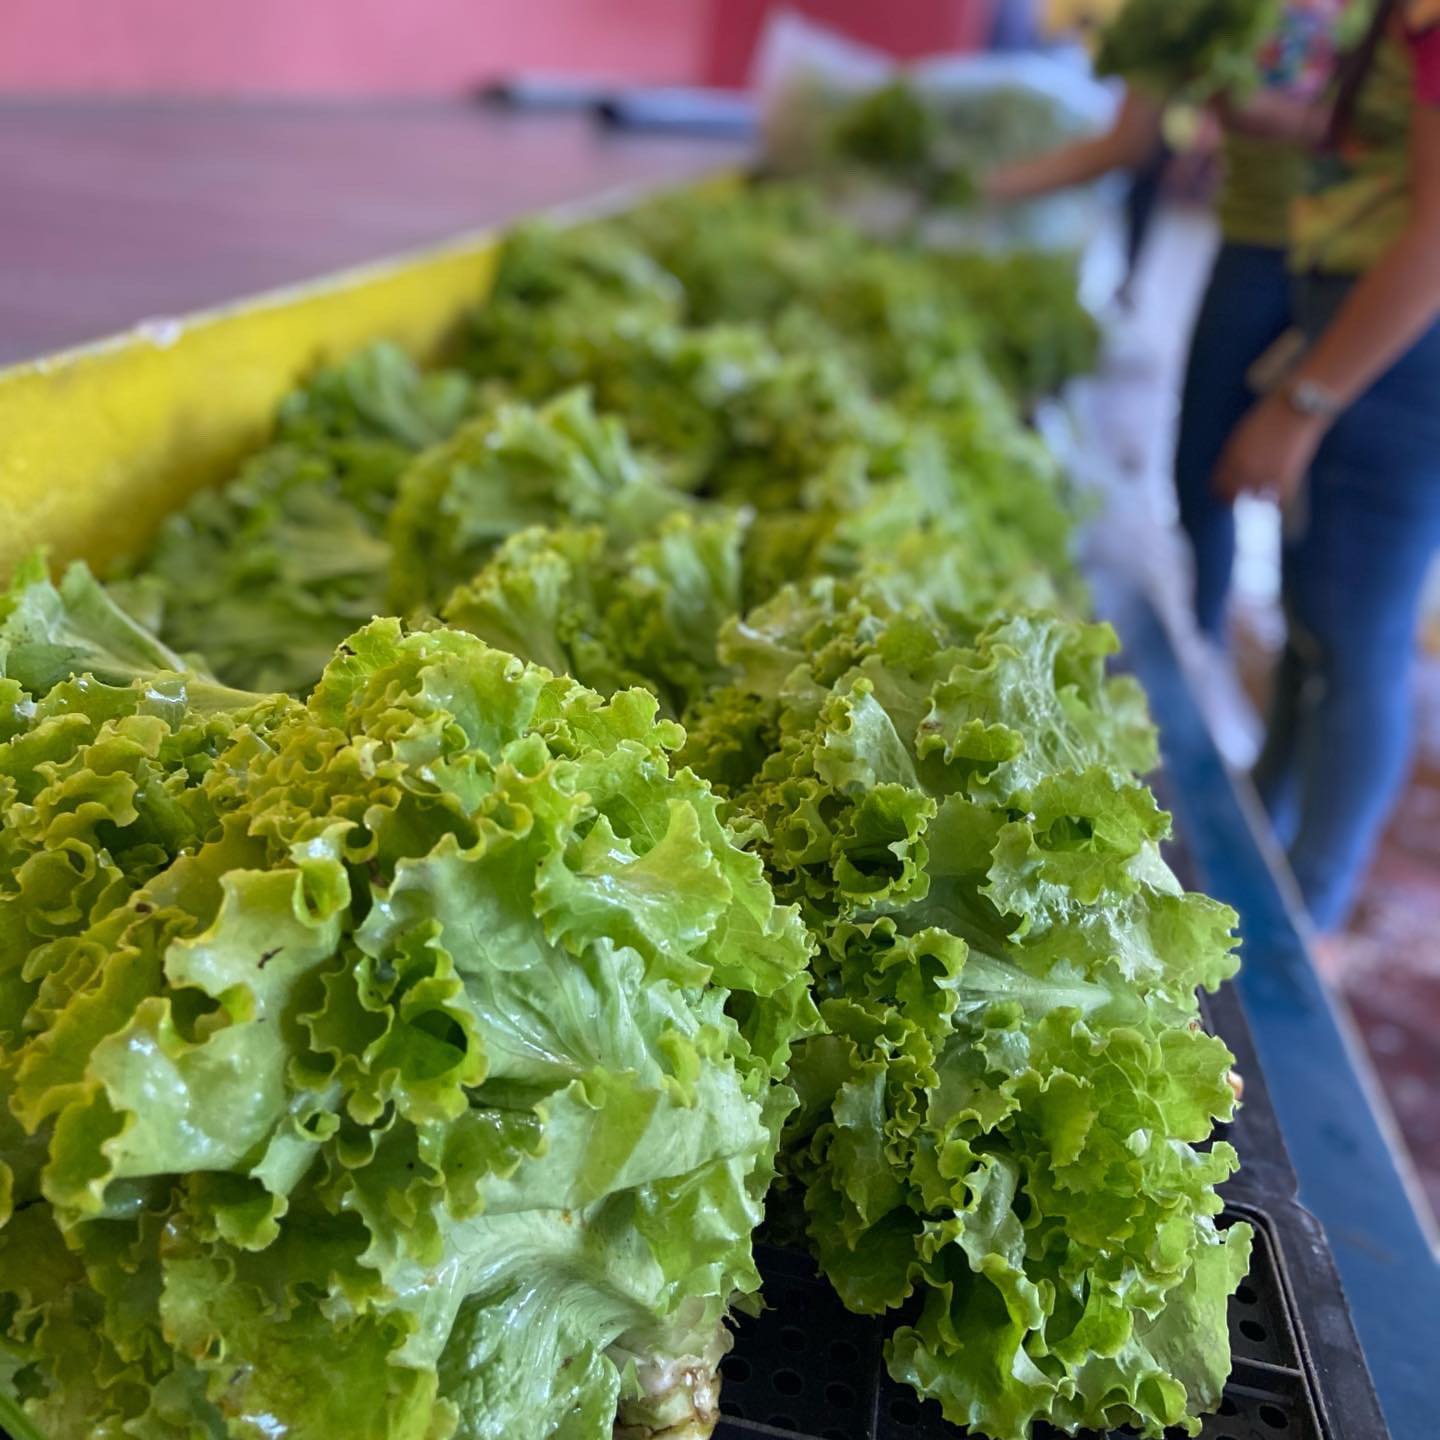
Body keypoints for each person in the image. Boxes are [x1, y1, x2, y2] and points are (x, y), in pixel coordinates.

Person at [986, 2, 1348, 641]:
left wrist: (1292, 121)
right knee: (1206, 472)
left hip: (1357, 265)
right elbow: (1125, 142)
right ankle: (1204, 648)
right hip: (1252, 248)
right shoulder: (1183, 12)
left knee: (1339, 540)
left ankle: (1262, 656)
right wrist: (981, 184)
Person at [1215, 0, 1440, 932]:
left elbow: (1433, 242)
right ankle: (1262, 848)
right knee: (1316, 618)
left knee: (1358, 637)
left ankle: (1310, 907)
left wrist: (1304, 401)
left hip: (1397, 350)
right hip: (1361, 326)